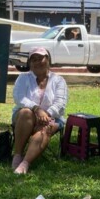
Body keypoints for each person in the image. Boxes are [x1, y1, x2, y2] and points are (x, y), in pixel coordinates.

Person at [11, 47, 68, 175]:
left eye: (41, 58)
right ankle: (17, 155)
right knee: (26, 113)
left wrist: (46, 115)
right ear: (29, 64)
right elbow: (19, 98)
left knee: (46, 128)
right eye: (34, 60)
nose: (37, 62)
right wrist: (37, 109)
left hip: (52, 117)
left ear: (48, 60)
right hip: (24, 117)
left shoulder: (59, 80)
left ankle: (25, 163)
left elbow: (60, 103)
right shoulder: (23, 78)